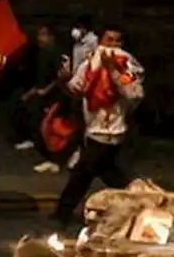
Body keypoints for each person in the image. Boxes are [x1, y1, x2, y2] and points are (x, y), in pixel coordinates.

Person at [51, 25, 145, 228]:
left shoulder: (127, 68)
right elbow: (78, 88)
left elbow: (133, 92)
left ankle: (62, 214)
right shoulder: (89, 64)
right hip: (93, 128)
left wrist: (113, 68)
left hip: (112, 131)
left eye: (116, 41)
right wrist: (66, 79)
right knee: (107, 173)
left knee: (83, 173)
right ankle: (141, 200)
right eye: (108, 40)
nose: (111, 46)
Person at [17, 25, 72, 173]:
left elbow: (59, 77)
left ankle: (55, 160)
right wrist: (33, 92)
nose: (40, 38)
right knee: (41, 126)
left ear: (52, 37)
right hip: (43, 96)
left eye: (44, 35)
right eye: (39, 35)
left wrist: (46, 90)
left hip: (54, 96)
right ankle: (49, 158)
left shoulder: (55, 54)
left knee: (50, 128)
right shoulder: (42, 53)